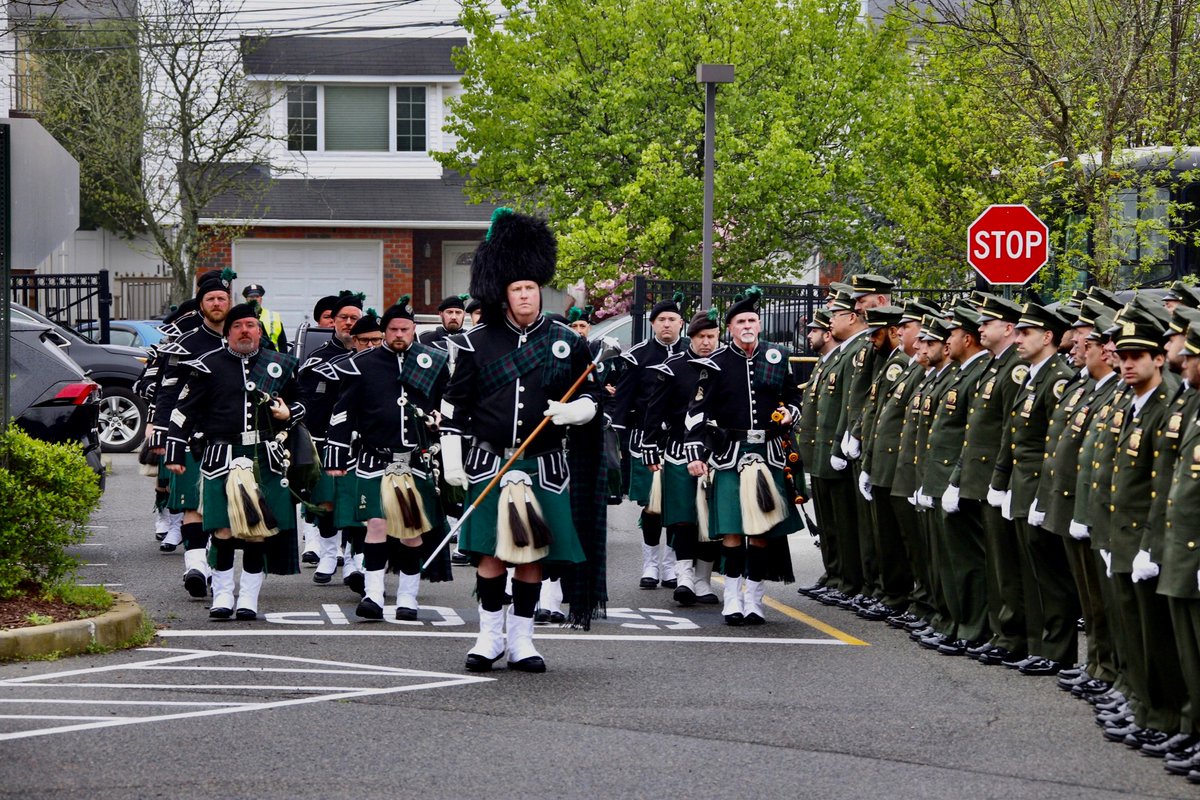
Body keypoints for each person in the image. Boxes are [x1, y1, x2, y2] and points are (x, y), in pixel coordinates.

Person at [440, 208, 601, 672]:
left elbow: (591, 393)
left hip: (544, 463)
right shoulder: (476, 342)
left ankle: (523, 641)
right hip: (490, 462)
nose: (526, 294)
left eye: (531, 288)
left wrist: (576, 410)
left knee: (533, 557)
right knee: (491, 554)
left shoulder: (565, 340)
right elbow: (455, 404)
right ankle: (488, 638)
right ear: (504, 294)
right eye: (517, 288)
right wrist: (452, 456)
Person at [164, 301, 304, 619]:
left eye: (251, 326)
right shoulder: (207, 364)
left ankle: (248, 599)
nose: (245, 331)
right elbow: (183, 411)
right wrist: (173, 450)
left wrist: (289, 412)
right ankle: (224, 594)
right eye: (238, 326)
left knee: (256, 533)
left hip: (263, 459)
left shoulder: (279, 364)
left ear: (259, 331)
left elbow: (303, 401)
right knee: (223, 530)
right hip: (219, 457)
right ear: (227, 333)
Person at [324, 295, 452, 621]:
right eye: (393, 329)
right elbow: (342, 412)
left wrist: (443, 423)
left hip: (415, 460)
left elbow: (449, 404)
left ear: (414, 330)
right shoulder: (362, 364)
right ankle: (373, 596)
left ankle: (408, 598)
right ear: (384, 331)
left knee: (411, 531)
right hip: (373, 458)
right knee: (376, 525)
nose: (399, 334)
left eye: (405, 329)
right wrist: (335, 456)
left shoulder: (432, 362)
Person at [685, 285, 801, 625]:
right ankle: (732, 598)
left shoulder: (778, 356)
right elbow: (696, 413)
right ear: (731, 328)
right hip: (729, 454)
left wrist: (792, 412)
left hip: (769, 453)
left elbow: (794, 397)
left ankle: (755, 598)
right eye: (740, 321)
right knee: (734, 530)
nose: (747, 325)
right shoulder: (715, 363)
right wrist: (696, 453)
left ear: (760, 324)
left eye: (752, 319)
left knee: (761, 532)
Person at [149, 269, 234, 598]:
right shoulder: (185, 343)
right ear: (201, 305)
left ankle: (213, 566)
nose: (216, 303)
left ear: (229, 302)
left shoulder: (243, 337)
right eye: (210, 299)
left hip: (231, 437)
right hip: (191, 434)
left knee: (223, 507)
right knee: (192, 506)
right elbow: (168, 392)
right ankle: (196, 566)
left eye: (222, 298)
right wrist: (163, 431)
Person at [639, 309, 724, 606]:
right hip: (677, 452)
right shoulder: (672, 367)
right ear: (691, 336)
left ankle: (703, 579)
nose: (706, 343)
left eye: (712, 337)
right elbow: (655, 410)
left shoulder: (724, 365)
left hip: (717, 454)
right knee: (684, 519)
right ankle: (684, 574)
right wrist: (649, 446)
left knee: (711, 521)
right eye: (701, 337)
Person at [612, 292, 686, 590]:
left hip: (681, 441)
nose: (666, 324)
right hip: (646, 441)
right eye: (661, 320)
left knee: (678, 505)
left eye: (672, 319)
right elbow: (623, 400)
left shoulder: (691, 355)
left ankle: (671, 565)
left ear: (681, 323)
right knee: (651, 507)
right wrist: (618, 439)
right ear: (653, 324)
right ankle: (650, 565)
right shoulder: (638, 356)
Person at [296, 291, 363, 583]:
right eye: (344, 318)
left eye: (354, 318)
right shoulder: (317, 357)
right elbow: (305, 402)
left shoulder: (372, 355)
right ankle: (327, 553)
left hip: (362, 444)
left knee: (356, 502)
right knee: (326, 502)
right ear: (333, 322)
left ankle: (351, 559)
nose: (349, 323)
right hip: (324, 441)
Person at [242, 283, 289, 353]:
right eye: (251, 297)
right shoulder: (240, 317)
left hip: (270, 356)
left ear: (261, 299)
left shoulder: (273, 317)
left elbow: (282, 343)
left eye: (257, 296)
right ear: (247, 299)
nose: (254, 299)